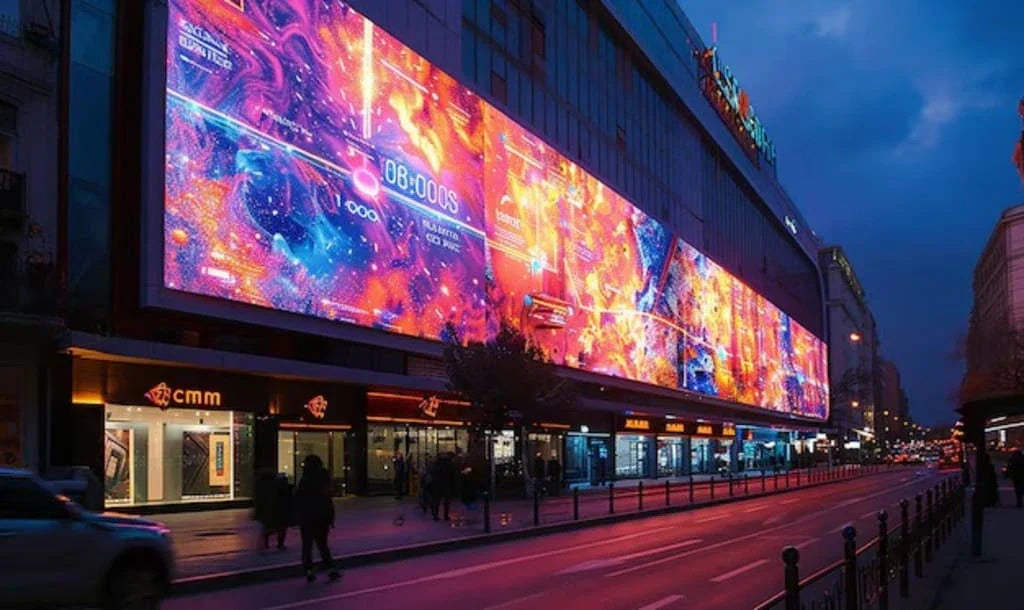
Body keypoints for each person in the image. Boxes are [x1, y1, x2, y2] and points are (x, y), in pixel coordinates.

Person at [295, 455, 340, 582]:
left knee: (307, 545)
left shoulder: (305, 480)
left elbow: (299, 500)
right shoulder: (322, 479)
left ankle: (309, 570)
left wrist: (298, 517)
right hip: (321, 517)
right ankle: (330, 568)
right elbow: (327, 500)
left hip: (307, 518)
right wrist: (331, 518)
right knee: (322, 544)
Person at [253, 469, 288, 550]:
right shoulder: (275, 485)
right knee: (281, 527)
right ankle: (279, 544)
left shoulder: (260, 486)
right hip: (276, 509)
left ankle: (266, 542)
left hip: (266, 510)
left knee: (269, 526)